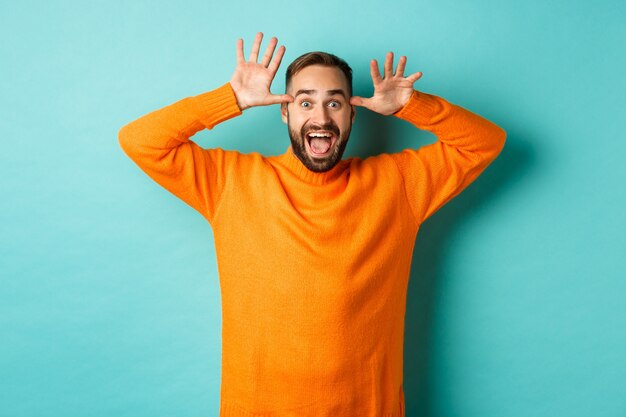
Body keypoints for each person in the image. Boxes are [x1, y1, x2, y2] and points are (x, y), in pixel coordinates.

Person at [119, 32, 506, 417]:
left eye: (334, 103)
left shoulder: (398, 184)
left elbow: (485, 142)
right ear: (285, 112)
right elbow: (140, 141)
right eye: (305, 102)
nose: (320, 118)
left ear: (353, 113)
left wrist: (411, 105)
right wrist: (230, 99)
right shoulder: (230, 182)